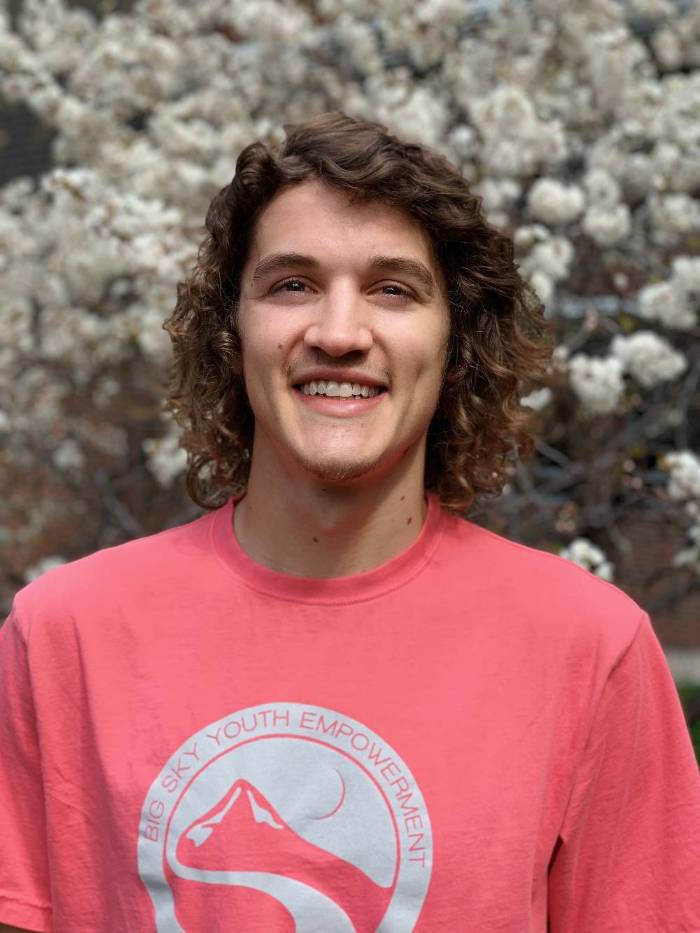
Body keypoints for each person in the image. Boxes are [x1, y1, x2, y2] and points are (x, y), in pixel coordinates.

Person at [0, 111, 698, 933]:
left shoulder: (590, 647)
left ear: (457, 345)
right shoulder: (63, 636)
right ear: (232, 333)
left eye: (392, 289)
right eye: (292, 283)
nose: (338, 333)